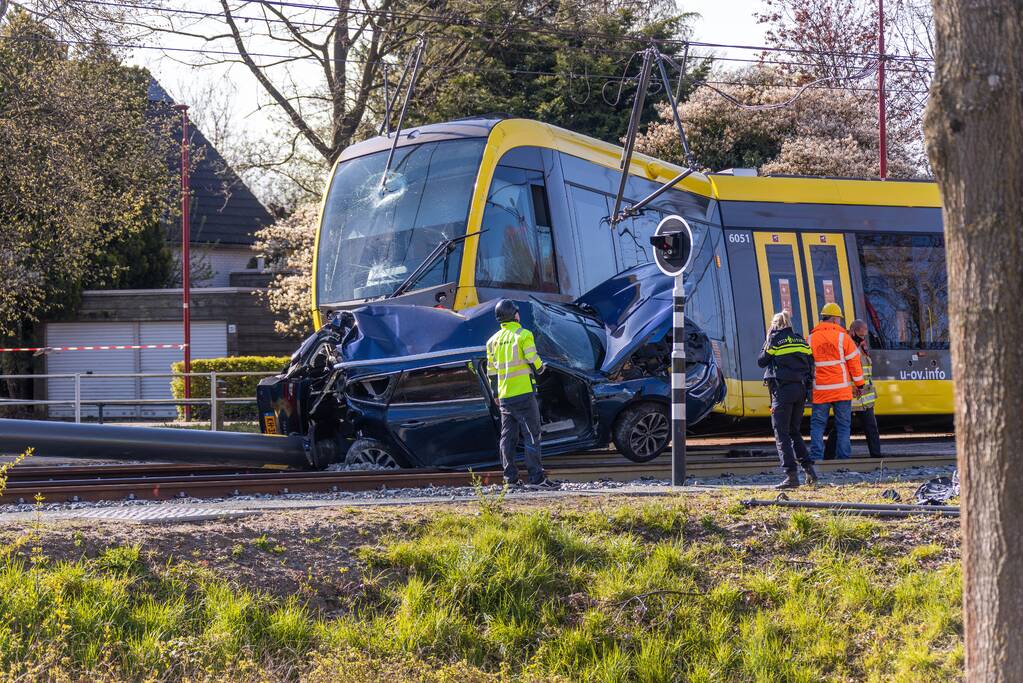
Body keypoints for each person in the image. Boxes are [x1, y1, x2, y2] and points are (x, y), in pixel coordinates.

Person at [486, 299, 556, 489]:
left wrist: (495, 394)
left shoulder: (492, 341)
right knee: (532, 435)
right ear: (515, 315)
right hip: (524, 394)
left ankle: (511, 480)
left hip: (505, 397)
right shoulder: (523, 335)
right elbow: (532, 359)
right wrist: (541, 369)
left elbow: (491, 372)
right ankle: (537, 479)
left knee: (507, 438)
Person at [758, 310, 818, 489]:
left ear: (775, 325)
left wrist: (769, 338)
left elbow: (761, 361)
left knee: (781, 432)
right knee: (794, 431)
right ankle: (810, 472)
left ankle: (791, 477)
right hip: (800, 390)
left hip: (783, 390)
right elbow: (810, 363)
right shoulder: (801, 340)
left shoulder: (775, 340)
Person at [808, 303, 866, 460]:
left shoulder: (811, 338)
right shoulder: (843, 337)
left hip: (820, 391)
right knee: (843, 426)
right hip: (841, 390)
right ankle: (843, 459)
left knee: (818, 426)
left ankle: (816, 458)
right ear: (834, 319)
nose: (839, 322)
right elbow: (854, 361)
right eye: (839, 319)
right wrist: (860, 384)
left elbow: (807, 364)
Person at [825, 319, 882, 459]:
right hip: (850, 395)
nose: (862, 338)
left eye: (864, 335)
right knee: (840, 427)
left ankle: (876, 457)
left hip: (864, 396)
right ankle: (827, 456)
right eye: (860, 335)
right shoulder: (844, 345)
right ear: (852, 331)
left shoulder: (862, 346)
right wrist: (853, 387)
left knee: (871, 427)